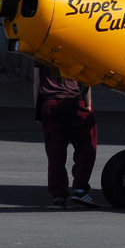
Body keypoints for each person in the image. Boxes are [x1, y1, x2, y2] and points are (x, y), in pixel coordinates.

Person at [35, 64, 98, 209]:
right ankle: (80, 189)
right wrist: (88, 104)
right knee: (87, 145)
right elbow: (87, 78)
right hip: (75, 101)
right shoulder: (78, 47)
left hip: (50, 103)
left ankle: (58, 196)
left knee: (55, 153)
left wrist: (38, 111)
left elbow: (37, 82)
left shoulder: (41, 52)